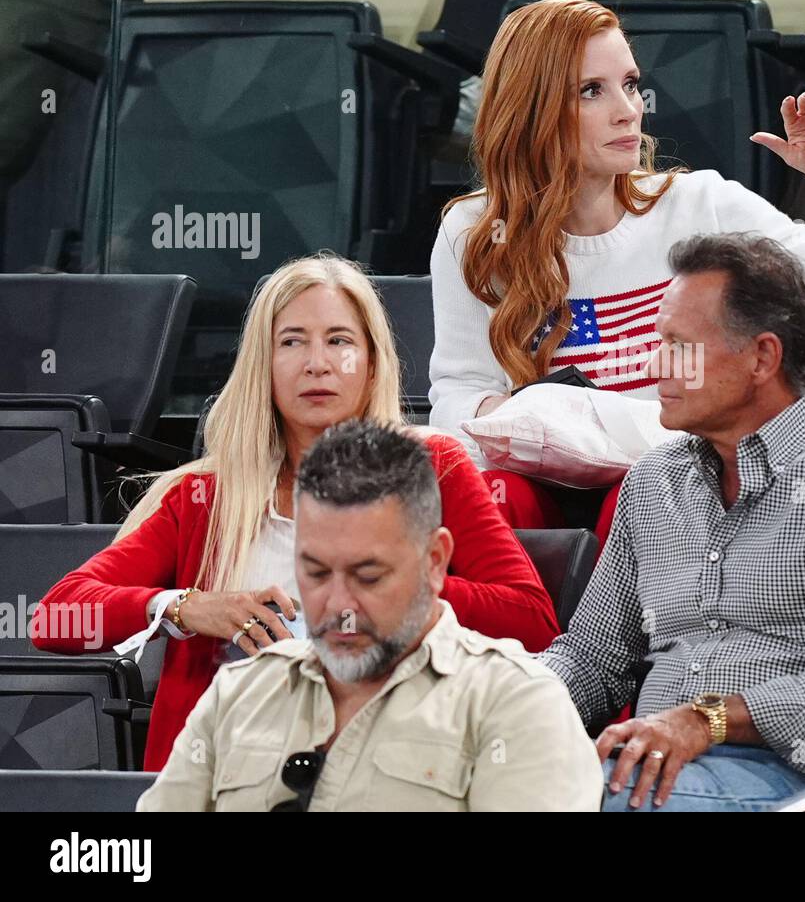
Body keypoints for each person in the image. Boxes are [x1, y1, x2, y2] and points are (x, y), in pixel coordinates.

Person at [32, 253, 558, 771]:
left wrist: (398, 590)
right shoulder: (205, 497)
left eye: (339, 341)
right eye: (292, 342)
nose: (317, 363)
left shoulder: (432, 466)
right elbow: (56, 616)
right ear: (264, 363)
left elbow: (530, 621)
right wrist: (188, 608)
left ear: (372, 361)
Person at [538, 233, 805, 811]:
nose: (654, 365)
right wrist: (488, 702)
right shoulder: (655, 481)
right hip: (650, 769)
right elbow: (592, 660)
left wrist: (709, 721)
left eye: (678, 346)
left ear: (762, 357)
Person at [428, 0, 805, 544]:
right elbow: (459, 393)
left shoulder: (700, 204)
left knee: (640, 491)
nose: (629, 108)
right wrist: (544, 420)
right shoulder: (474, 230)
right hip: (539, 480)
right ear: (533, 109)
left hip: (675, 478)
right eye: (591, 91)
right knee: (494, 498)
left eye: (630, 83)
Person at [137, 421, 602, 811]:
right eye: (315, 572)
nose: (340, 605)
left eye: (369, 575)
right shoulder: (238, 695)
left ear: (435, 561)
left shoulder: (517, 705)